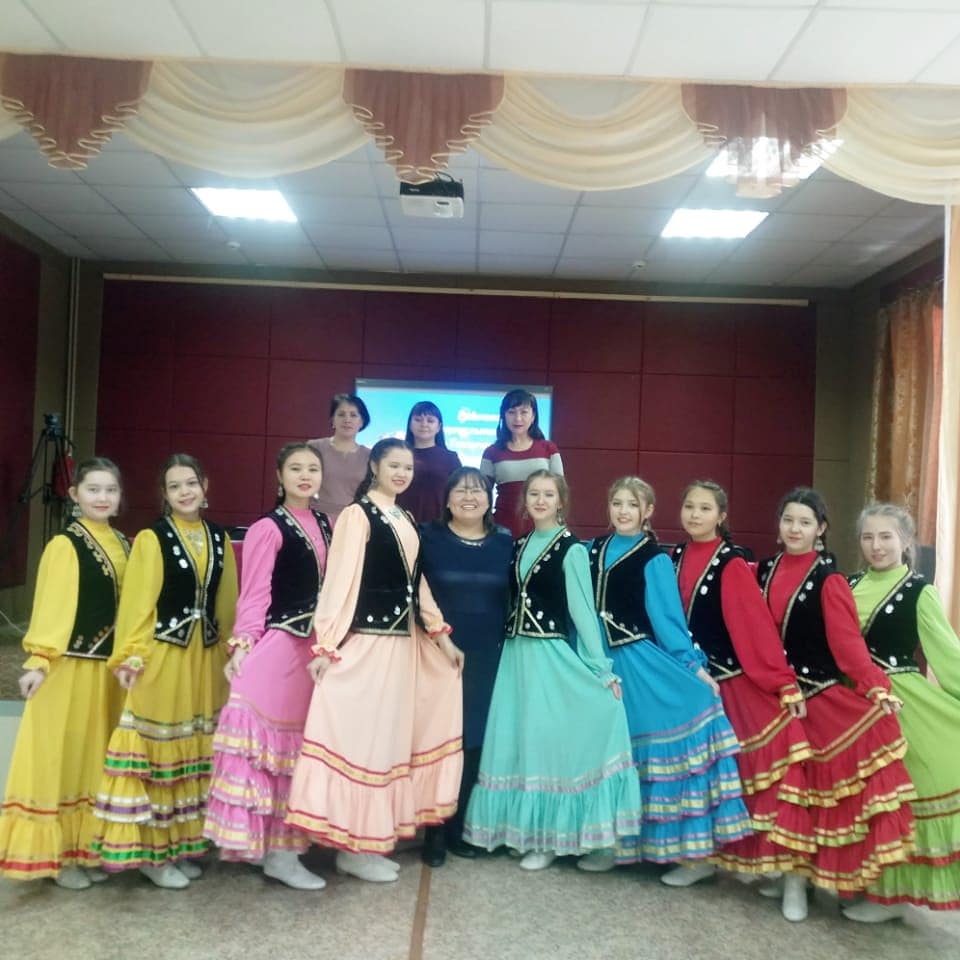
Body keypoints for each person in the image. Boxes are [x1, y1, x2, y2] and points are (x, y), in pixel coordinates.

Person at [285, 438, 464, 883]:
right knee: (362, 741)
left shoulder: (405, 517)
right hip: (369, 644)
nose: (402, 473)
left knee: (387, 743)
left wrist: (440, 635)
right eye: (394, 465)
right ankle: (351, 847)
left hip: (402, 647)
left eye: (408, 467)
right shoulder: (357, 515)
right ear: (376, 466)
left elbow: (416, 585)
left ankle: (365, 845)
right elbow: (340, 580)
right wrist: (327, 643)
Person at [463, 470, 642, 870]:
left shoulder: (571, 549)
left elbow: (583, 612)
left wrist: (601, 669)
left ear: (561, 501)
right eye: (534, 494)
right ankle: (520, 832)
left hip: (548, 656)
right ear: (524, 501)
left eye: (548, 494)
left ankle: (546, 840)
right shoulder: (518, 544)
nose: (541, 501)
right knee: (515, 740)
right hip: (515, 657)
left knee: (542, 742)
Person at [662, 481, 817, 923]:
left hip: (732, 687)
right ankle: (701, 858)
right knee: (703, 779)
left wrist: (782, 683)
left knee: (767, 782)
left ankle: (794, 879)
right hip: (692, 689)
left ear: (721, 516)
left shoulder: (730, 564)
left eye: (704, 508)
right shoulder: (672, 557)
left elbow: (753, 628)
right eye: (689, 506)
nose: (694, 515)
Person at [581, 477, 751, 874]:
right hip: (598, 665)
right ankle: (613, 844)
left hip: (638, 666)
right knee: (608, 753)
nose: (624, 511)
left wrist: (692, 667)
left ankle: (694, 856)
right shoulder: (591, 550)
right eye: (617, 503)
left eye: (632, 504)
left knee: (642, 753)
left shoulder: (653, 559)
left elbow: (668, 620)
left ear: (648, 511)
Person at [756, 487, 915, 912]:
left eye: (805, 522)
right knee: (777, 792)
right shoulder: (763, 570)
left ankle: (798, 883)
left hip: (815, 700)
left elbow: (848, 646)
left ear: (821, 529)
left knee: (804, 792)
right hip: (771, 697)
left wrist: (875, 686)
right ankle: (783, 871)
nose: (795, 529)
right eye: (788, 520)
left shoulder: (830, 581)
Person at [91, 454, 239, 889]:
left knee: (193, 755)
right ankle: (153, 856)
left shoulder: (219, 538)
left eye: (190, 483)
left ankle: (179, 846)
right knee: (159, 755)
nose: (184, 492)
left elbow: (228, 601)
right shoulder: (152, 539)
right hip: (164, 657)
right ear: (164, 494)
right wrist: (131, 654)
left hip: (205, 659)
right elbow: (139, 602)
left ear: (204, 485)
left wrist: (233, 649)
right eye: (174, 486)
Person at [203, 443, 330, 890]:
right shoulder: (267, 527)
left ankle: (285, 850)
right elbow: (255, 593)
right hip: (280, 648)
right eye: (295, 468)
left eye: (312, 468)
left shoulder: (327, 524)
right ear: (279, 476)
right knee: (274, 755)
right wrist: (243, 643)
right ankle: (278, 855)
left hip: (316, 652)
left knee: (298, 756)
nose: (305, 476)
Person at [0, 459, 129, 890]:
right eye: (93, 489)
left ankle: (87, 849)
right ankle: (61, 856)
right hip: (70, 668)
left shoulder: (123, 543)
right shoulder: (65, 545)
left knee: (96, 761)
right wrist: (39, 661)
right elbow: (52, 607)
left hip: (108, 673)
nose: (102, 498)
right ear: (74, 495)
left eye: (110, 490)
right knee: (66, 758)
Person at [843, 503, 960, 921]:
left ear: (905, 541)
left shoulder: (918, 592)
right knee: (859, 798)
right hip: (850, 706)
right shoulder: (847, 584)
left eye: (886, 536)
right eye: (868, 537)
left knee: (897, 797)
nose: (876, 546)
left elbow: (948, 656)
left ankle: (890, 897)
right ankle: (862, 881)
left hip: (900, 706)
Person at [418, 467, 513, 866]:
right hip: (437, 652)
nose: (469, 497)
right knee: (439, 739)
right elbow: (415, 592)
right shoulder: (428, 537)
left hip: (487, 653)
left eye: (477, 490)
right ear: (447, 499)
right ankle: (432, 831)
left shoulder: (505, 542)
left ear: (490, 499)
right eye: (460, 490)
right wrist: (439, 637)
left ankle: (457, 828)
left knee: (473, 741)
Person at [480, 388, 563, 538]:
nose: (518, 418)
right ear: (503, 416)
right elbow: (482, 494)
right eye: (511, 412)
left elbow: (560, 491)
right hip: (503, 528)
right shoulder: (491, 452)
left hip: (542, 527)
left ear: (533, 416)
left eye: (524, 412)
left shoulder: (549, 449)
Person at [308, 392, 371, 523]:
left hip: (354, 520)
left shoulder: (369, 456)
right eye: (341, 414)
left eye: (353, 415)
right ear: (332, 420)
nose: (347, 420)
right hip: (316, 518)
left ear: (362, 422)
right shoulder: (315, 447)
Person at [397, 400, 462, 523]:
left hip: (439, 525)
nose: (424, 424)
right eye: (418, 420)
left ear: (439, 427)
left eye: (430, 421)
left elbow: (459, 494)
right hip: (400, 522)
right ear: (409, 425)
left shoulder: (450, 458)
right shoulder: (397, 455)